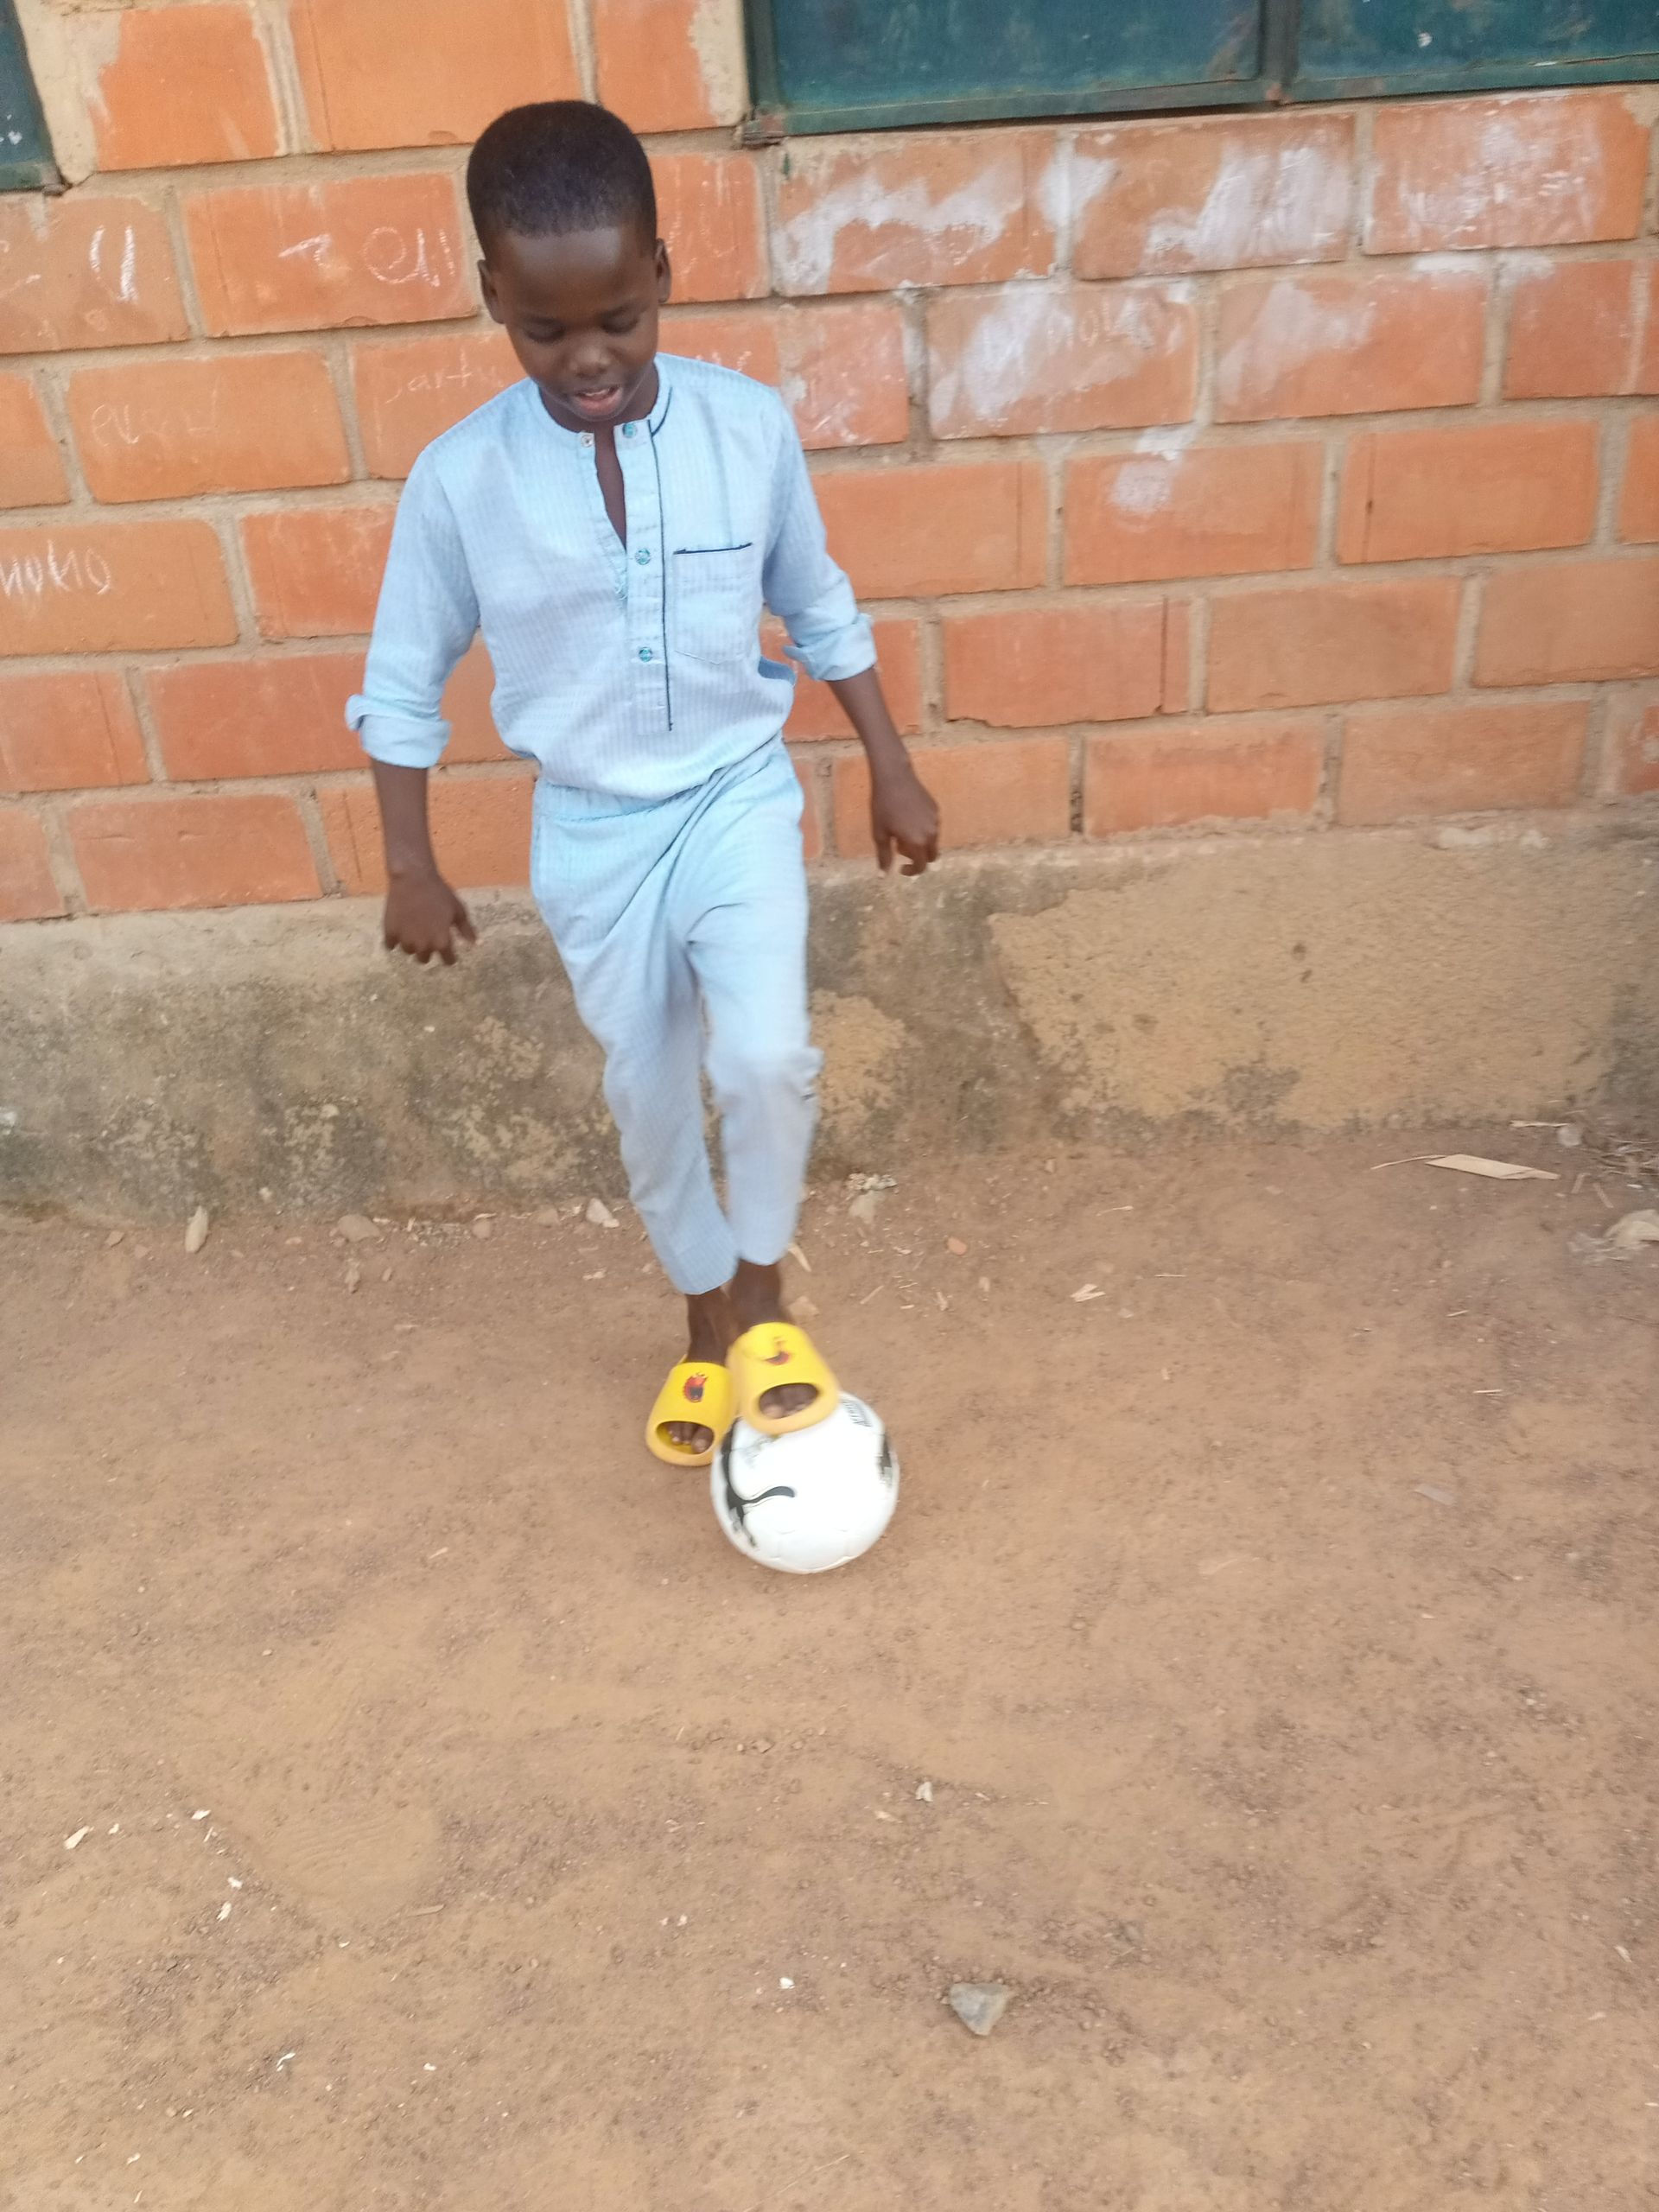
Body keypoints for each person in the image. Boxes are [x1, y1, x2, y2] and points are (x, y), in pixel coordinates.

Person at [348, 101, 941, 1470]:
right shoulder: (461, 482)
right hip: (593, 832)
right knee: (652, 1092)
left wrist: (892, 766)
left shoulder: (748, 429)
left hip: (736, 798)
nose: (589, 358)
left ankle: (764, 1303)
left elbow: (820, 605)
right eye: (544, 330)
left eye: (619, 318)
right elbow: (400, 681)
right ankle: (702, 1317)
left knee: (765, 1057)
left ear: (663, 273)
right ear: (493, 297)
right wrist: (408, 864)